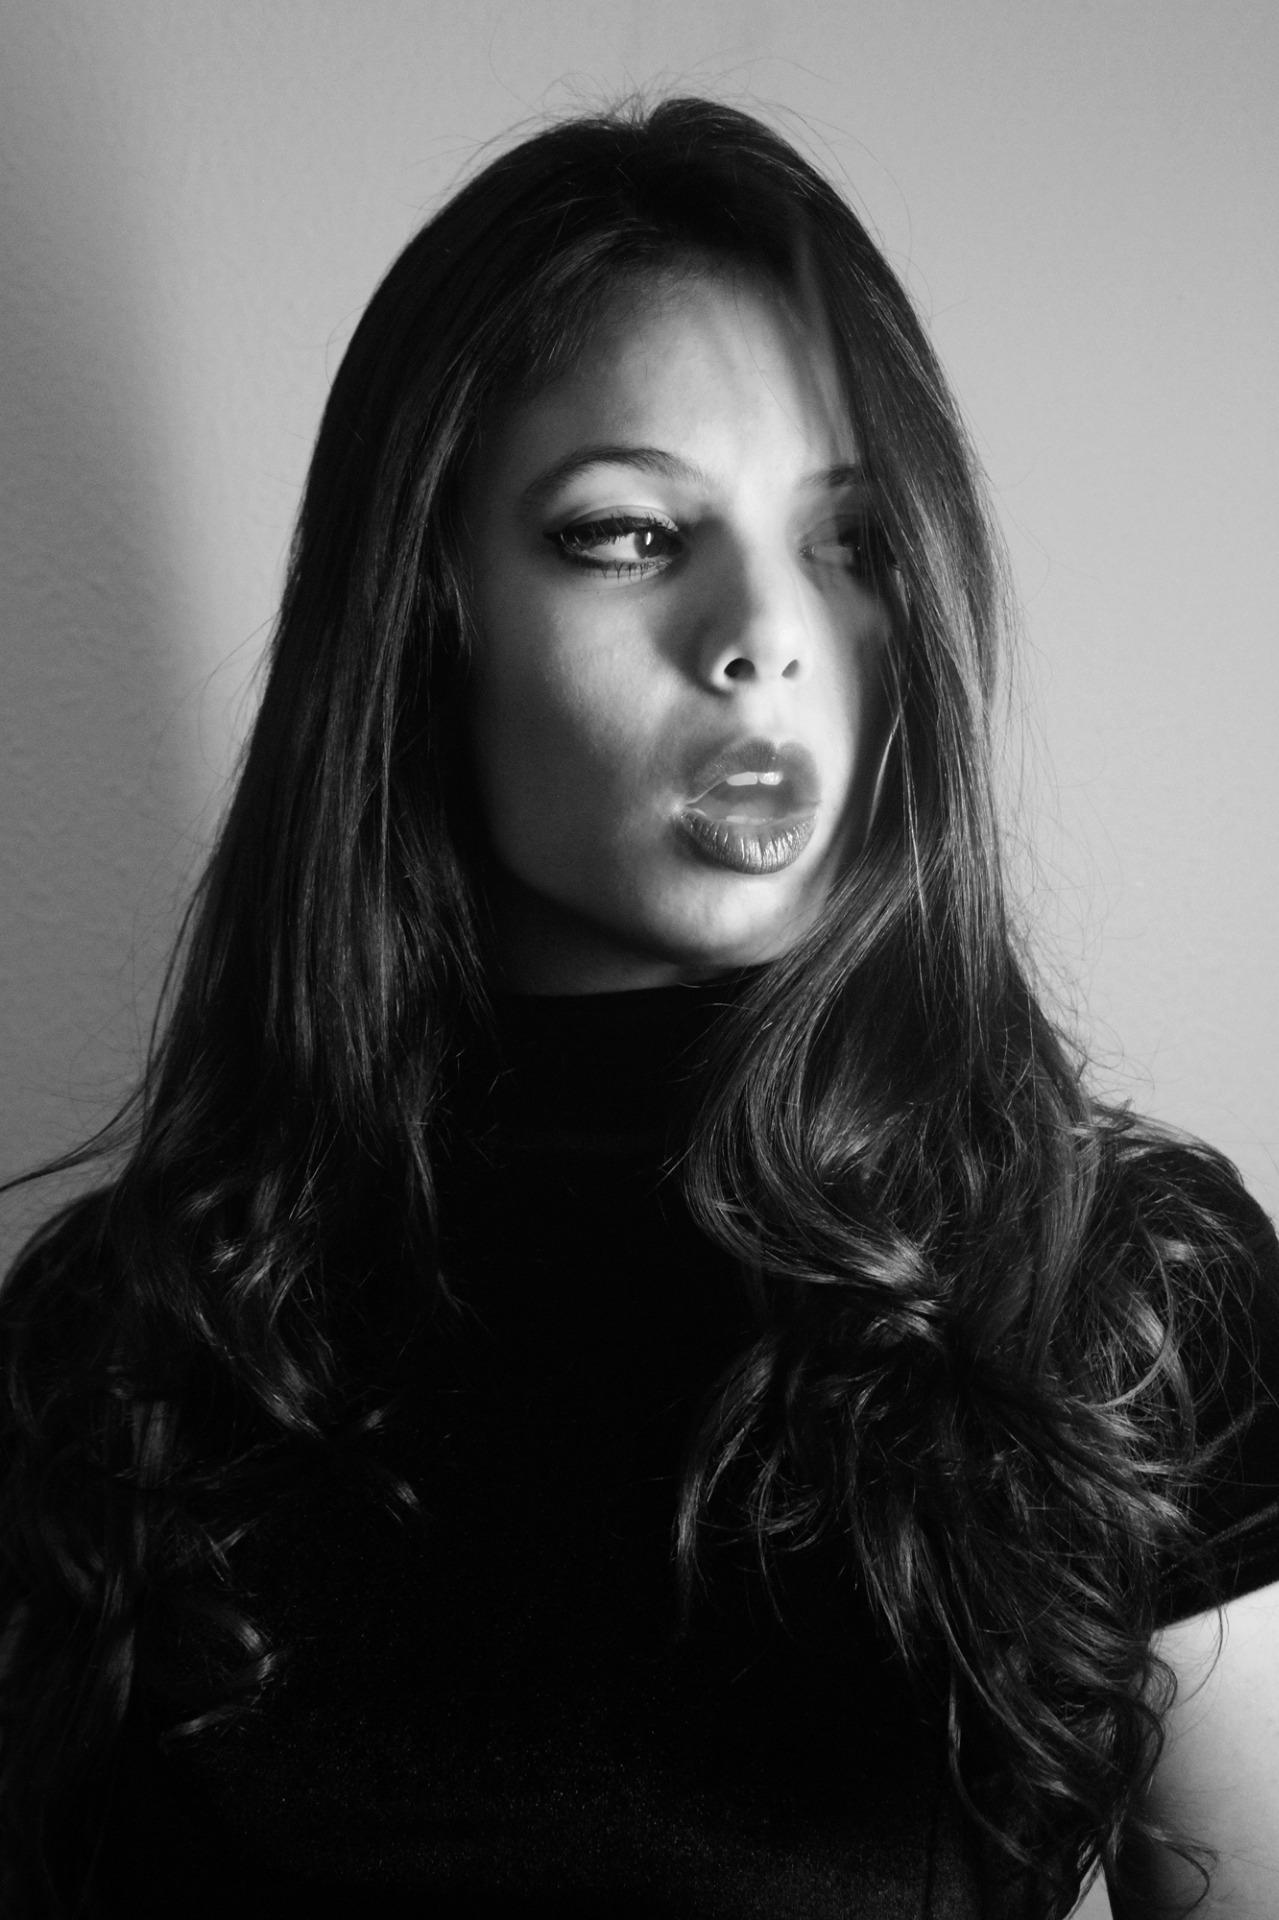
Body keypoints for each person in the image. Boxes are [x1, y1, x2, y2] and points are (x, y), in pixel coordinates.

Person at [1, 96, 1277, 1920]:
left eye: (850, 542)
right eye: (626, 534)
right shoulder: (126, 1336)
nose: (767, 633)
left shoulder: (1120, 1287)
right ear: (427, 608)